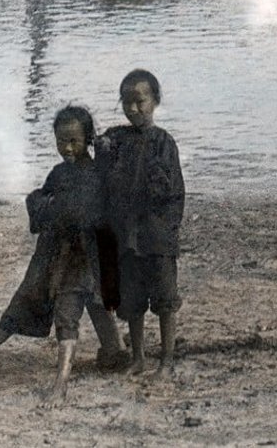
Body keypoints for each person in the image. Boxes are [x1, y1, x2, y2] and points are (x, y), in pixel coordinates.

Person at [0, 105, 127, 405]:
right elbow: (47, 204)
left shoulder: (98, 173)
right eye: (61, 142)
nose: (67, 148)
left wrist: (59, 207)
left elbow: (95, 212)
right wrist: (46, 204)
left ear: (88, 139)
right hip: (55, 252)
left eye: (74, 141)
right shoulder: (59, 173)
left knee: (77, 308)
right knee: (29, 299)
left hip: (85, 255)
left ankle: (62, 384)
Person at [96, 69, 184, 380]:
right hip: (126, 235)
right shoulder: (116, 139)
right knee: (131, 300)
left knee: (164, 299)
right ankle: (138, 357)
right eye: (126, 102)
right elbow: (102, 175)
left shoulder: (163, 142)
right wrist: (102, 148)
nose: (132, 108)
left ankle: (167, 359)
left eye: (140, 101)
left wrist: (168, 233)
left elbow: (174, 193)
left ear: (155, 101)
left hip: (156, 235)